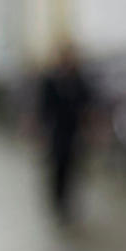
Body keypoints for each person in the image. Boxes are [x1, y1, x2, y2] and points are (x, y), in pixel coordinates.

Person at [35, 41, 100, 227]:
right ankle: (58, 203)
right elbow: (44, 108)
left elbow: (89, 105)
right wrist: (40, 132)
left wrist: (92, 129)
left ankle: (69, 204)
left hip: (75, 133)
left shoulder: (79, 79)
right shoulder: (51, 80)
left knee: (75, 170)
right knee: (58, 169)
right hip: (57, 133)